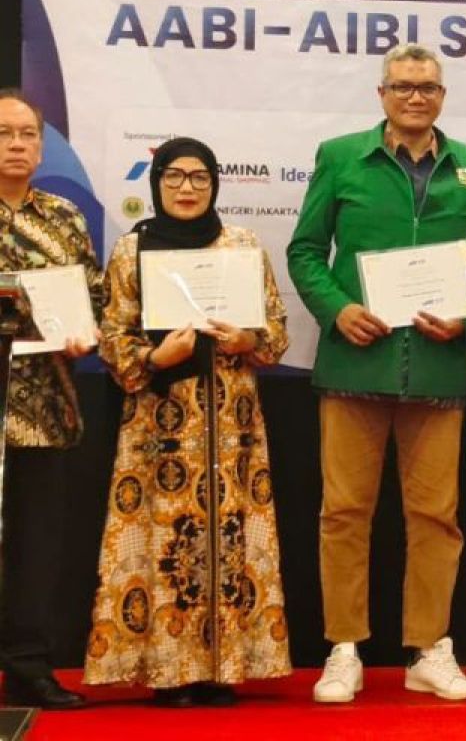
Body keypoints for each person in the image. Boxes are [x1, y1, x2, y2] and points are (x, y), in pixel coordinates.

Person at [287, 43, 466, 702]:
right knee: (343, 513)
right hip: (355, 364)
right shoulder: (340, 157)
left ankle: (429, 649)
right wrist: (337, 308)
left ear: (443, 96)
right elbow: (305, 251)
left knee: (437, 516)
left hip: (438, 371)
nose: (416, 97)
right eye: (403, 86)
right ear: (381, 94)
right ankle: (343, 649)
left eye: (428, 88)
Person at [82, 137, 291, 707]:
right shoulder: (133, 250)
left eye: (200, 177)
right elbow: (113, 337)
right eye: (174, 176)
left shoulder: (241, 245)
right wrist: (155, 357)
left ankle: (224, 668)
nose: (187, 188)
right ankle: (172, 671)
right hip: (160, 428)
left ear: (214, 184)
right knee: (166, 543)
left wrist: (249, 339)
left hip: (233, 427)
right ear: (156, 183)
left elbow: (276, 329)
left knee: (231, 541)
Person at [0, 89, 100, 710]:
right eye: (4, 133)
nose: (17, 145)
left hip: (42, 405)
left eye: (27, 134)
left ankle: (27, 666)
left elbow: (92, 294)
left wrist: (84, 330)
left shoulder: (64, 216)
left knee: (35, 545)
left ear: (42, 146)